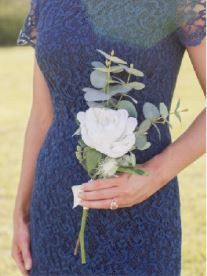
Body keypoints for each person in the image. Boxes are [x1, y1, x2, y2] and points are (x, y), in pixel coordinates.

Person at [11, 1, 206, 275]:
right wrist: (21, 211)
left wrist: (155, 175)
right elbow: (43, 114)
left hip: (139, 214)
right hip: (54, 213)